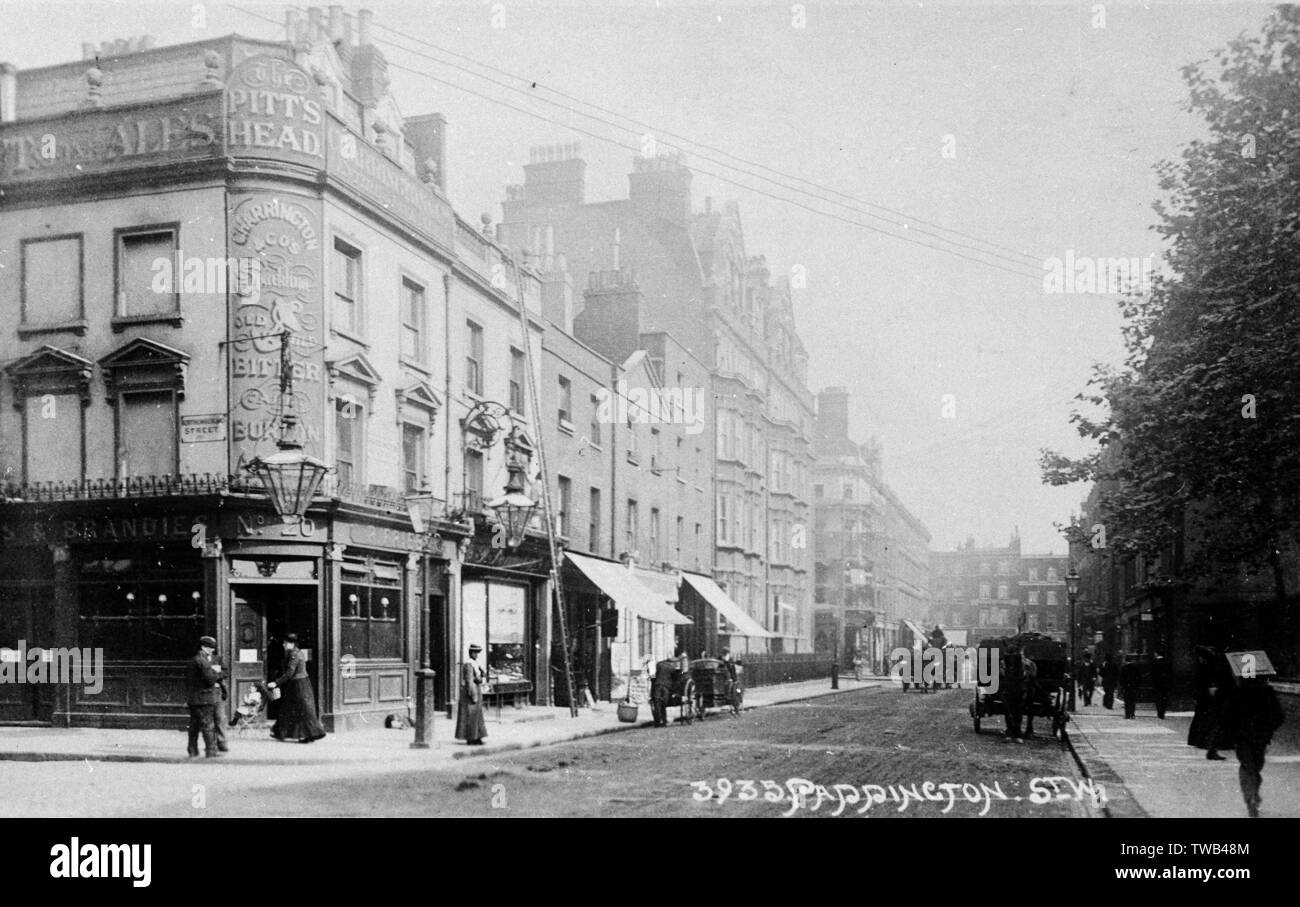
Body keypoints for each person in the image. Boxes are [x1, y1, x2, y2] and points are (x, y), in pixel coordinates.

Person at [1219, 674, 1286, 817]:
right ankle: (1253, 792)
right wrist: (1268, 729)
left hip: (1242, 736)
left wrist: (1232, 732)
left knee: (1246, 766)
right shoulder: (1267, 691)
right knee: (1256, 766)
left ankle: (1250, 796)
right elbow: (1279, 716)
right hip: (1261, 736)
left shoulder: (1236, 691)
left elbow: (1226, 716)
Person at [267, 633, 327, 744]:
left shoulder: (294, 654)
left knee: (302, 710)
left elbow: (290, 672)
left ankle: (307, 734)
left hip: (298, 685)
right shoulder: (297, 652)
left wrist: (276, 683)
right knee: (291, 709)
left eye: (286, 643)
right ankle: (285, 732)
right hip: (301, 683)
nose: (284, 645)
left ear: (291, 643)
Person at [186, 636, 226, 758]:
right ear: (203, 647)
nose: (212, 650)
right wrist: (217, 673)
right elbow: (210, 678)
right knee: (208, 725)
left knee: (194, 725)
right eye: (210, 648)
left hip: (193, 698)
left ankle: (192, 750)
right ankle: (211, 751)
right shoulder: (203, 661)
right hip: (205, 698)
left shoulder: (193, 660)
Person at [1189, 645, 1225, 758]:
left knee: (1205, 720)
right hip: (1206, 699)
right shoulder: (1207, 667)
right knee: (1209, 722)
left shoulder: (1204, 667)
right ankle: (1207, 744)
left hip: (1204, 699)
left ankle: (1202, 742)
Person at [455, 644, 488, 745]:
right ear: (471, 653)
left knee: (477, 715)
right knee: (471, 715)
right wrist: (473, 694)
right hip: (471, 691)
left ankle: (477, 737)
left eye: (477, 653)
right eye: (475, 653)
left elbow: (479, 677)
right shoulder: (469, 664)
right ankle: (471, 738)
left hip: (476, 689)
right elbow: (469, 680)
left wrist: (482, 673)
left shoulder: (475, 663)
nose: (477, 655)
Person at [1120, 653, 1142, 719]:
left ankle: (1127, 714)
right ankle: (1132, 714)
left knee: (1127, 701)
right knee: (1133, 701)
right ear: (1131, 660)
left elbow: (1121, 678)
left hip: (1126, 687)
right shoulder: (1135, 667)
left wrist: (1123, 685)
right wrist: (1136, 685)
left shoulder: (1124, 668)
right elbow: (1139, 677)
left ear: (1125, 660)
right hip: (1133, 687)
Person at [1151, 652, 1172, 719]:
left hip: (1157, 684)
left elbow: (1153, 674)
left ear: (1156, 654)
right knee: (1164, 699)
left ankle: (1159, 712)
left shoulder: (1155, 663)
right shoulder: (1166, 662)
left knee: (1158, 699)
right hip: (1165, 684)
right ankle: (1162, 712)